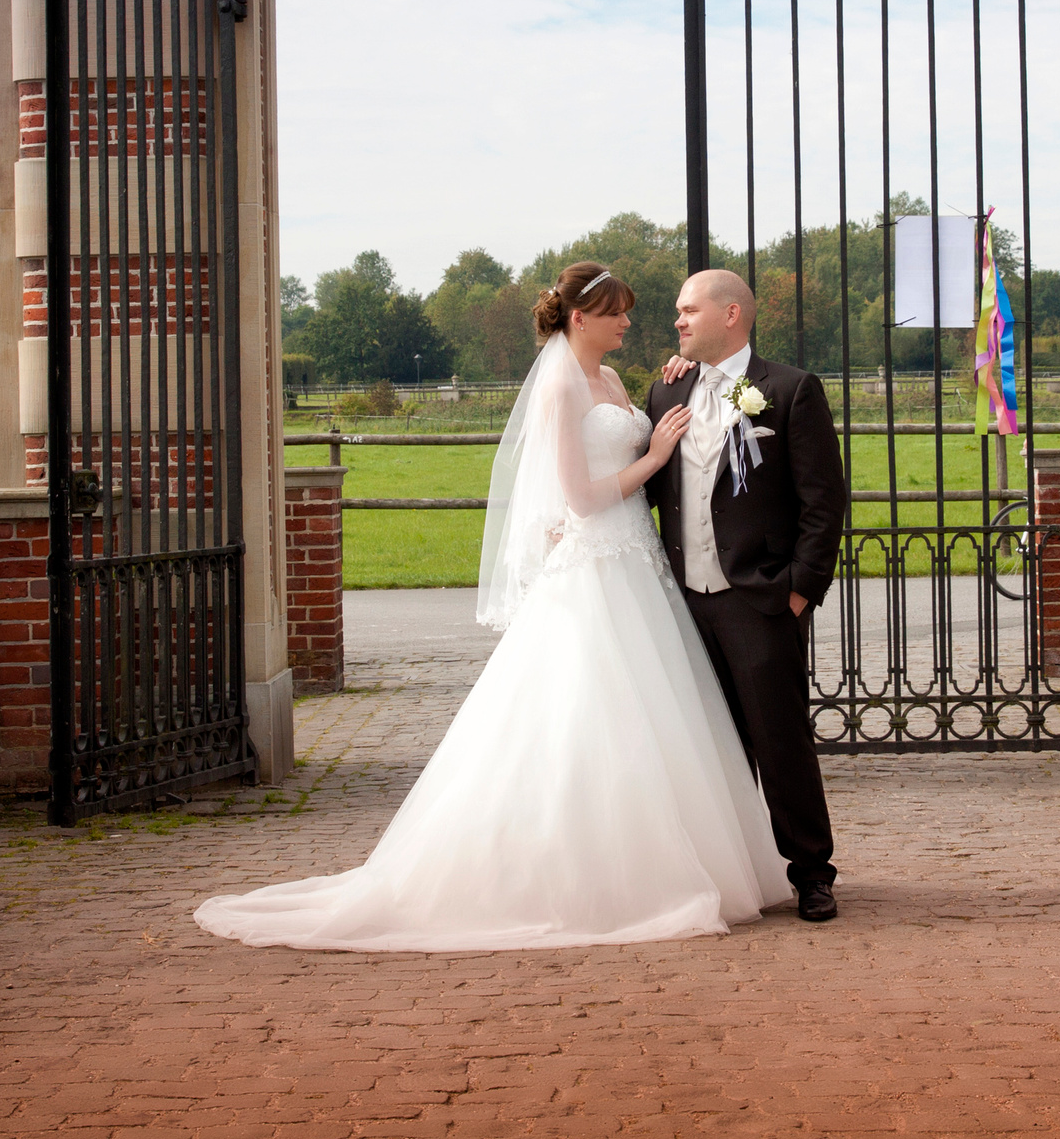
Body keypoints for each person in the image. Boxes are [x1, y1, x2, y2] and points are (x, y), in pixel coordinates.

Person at [194, 261, 792, 951]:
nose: (629, 321)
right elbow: (581, 496)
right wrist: (655, 455)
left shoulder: (619, 379)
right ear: (579, 318)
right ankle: (580, 880)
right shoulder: (559, 386)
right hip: (595, 569)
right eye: (616, 312)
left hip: (636, 564)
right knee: (586, 722)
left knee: (658, 721)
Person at [647, 269, 851, 922]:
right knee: (711, 746)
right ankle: (735, 874)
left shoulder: (786, 390)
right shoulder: (665, 388)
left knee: (779, 739)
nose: (677, 320)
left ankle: (812, 871)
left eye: (688, 309)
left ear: (730, 313)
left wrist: (800, 593)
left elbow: (824, 504)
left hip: (759, 598)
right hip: (687, 601)